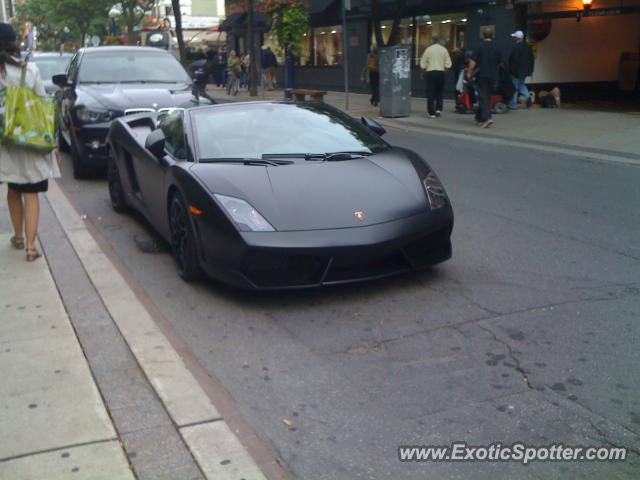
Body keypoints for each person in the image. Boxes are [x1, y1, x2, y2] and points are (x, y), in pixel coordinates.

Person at [0, 23, 61, 261]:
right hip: (31, 139)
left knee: (13, 187)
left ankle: (18, 236)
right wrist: (52, 141)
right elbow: (43, 104)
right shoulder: (30, 70)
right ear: (15, 43)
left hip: (5, 141)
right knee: (32, 191)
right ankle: (31, 246)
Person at [467, 27, 502, 128]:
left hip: (481, 75)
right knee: (486, 97)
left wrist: (469, 73)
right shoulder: (497, 47)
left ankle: (487, 118)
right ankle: (479, 117)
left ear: (483, 35)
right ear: (492, 35)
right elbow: (500, 63)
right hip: (493, 76)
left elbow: (472, 62)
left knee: (482, 97)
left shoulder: (479, 47)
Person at [420, 36, 452, 118]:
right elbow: (448, 63)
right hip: (441, 72)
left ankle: (431, 112)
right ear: (439, 41)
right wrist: (444, 70)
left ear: (432, 41)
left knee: (430, 93)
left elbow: (423, 62)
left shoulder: (428, 49)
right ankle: (438, 109)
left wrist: (423, 72)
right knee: (439, 92)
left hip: (430, 72)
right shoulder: (443, 49)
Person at [508, 30, 534, 109]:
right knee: (521, 85)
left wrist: (510, 70)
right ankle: (527, 97)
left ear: (517, 38)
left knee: (514, 87)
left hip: (515, 71)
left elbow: (513, 60)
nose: (513, 38)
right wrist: (530, 70)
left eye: (514, 37)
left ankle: (513, 104)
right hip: (524, 71)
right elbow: (531, 60)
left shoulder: (515, 47)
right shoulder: (528, 47)